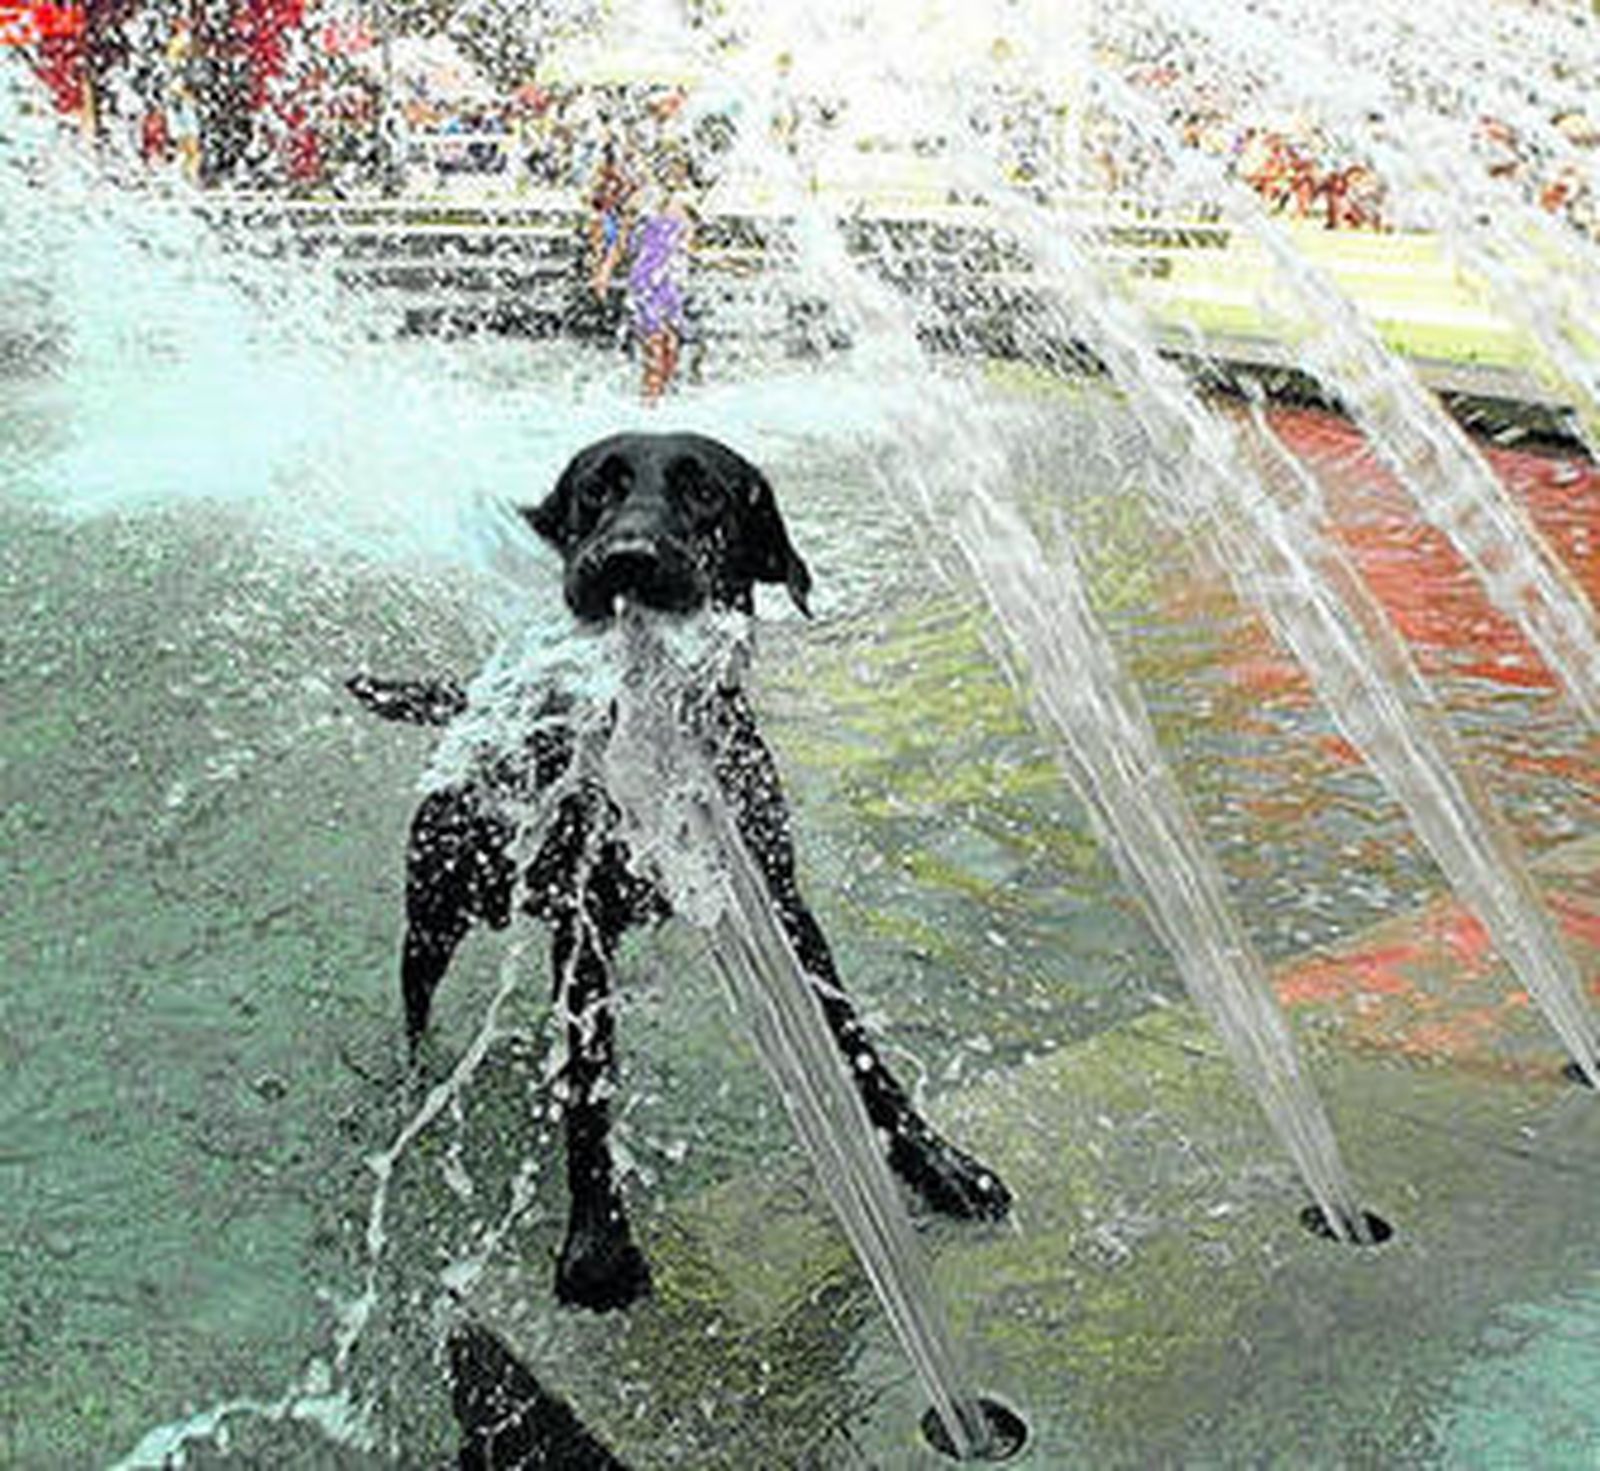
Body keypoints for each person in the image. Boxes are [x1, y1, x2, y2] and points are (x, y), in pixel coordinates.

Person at [625, 162, 695, 403]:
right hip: (646, 279)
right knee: (654, 341)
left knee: (671, 343)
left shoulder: (684, 207)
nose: (674, 175)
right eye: (670, 169)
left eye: (679, 170)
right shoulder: (640, 202)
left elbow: (688, 246)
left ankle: (662, 394)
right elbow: (623, 240)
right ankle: (648, 397)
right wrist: (604, 271)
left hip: (670, 282)